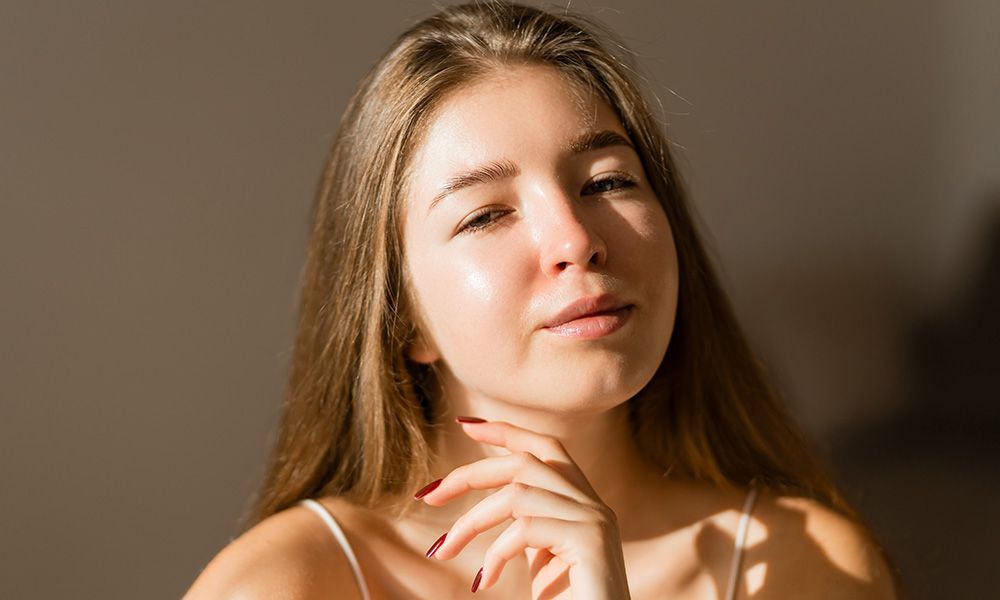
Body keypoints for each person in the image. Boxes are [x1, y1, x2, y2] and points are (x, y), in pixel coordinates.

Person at [186, 2, 899, 598]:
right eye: (487, 215)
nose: (575, 240)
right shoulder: (286, 585)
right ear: (402, 317)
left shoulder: (809, 567)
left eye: (607, 182)